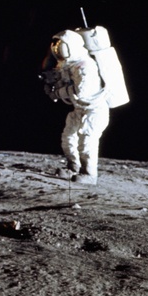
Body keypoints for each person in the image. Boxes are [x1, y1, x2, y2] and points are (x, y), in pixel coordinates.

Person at [43, 29, 110, 183]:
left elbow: (81, 91)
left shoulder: (85, 66)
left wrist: (58, 93)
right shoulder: (67, 65)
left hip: (95, 110)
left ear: (70, 47)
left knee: (87, 143)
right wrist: (51, 85)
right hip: (79, 109)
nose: (58, 50)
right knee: (68, 138)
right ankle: (73, 167)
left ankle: (90, 174)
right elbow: (63, 85)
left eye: (61, 46)